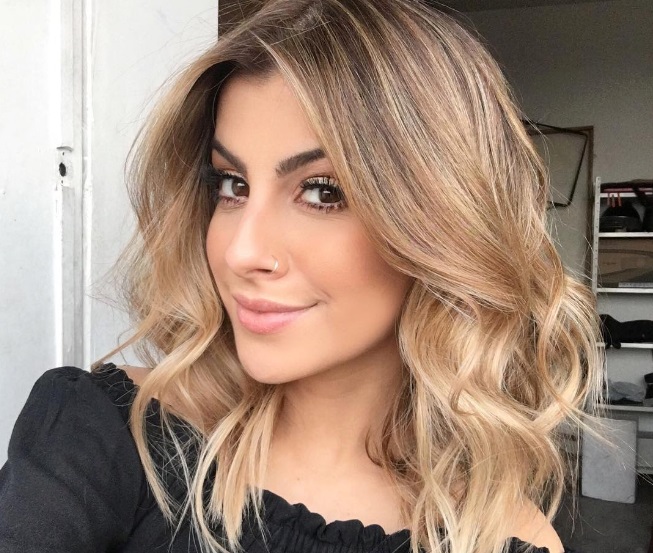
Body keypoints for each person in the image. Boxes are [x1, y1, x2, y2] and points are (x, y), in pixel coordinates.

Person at [0, 1, 602, 552]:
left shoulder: (504, 538)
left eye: (322, 192)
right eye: (232, 185)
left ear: (443, 222)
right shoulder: (101, 433)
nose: (241, 251)